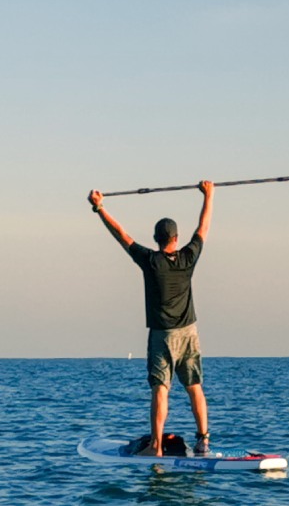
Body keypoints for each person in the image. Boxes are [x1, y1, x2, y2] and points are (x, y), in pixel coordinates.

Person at [87, 181, 214, 457]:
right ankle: (203, 441)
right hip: (190, 332)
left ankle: (156, 447)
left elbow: (121, 235)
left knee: (160, 390)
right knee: (195, 387)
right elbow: (203, 228)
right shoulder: (188, 257)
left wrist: (99, 208)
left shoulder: (150, 260)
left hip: (162, 335)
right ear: (176, 238)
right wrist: (209, 195)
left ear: (156, 239)